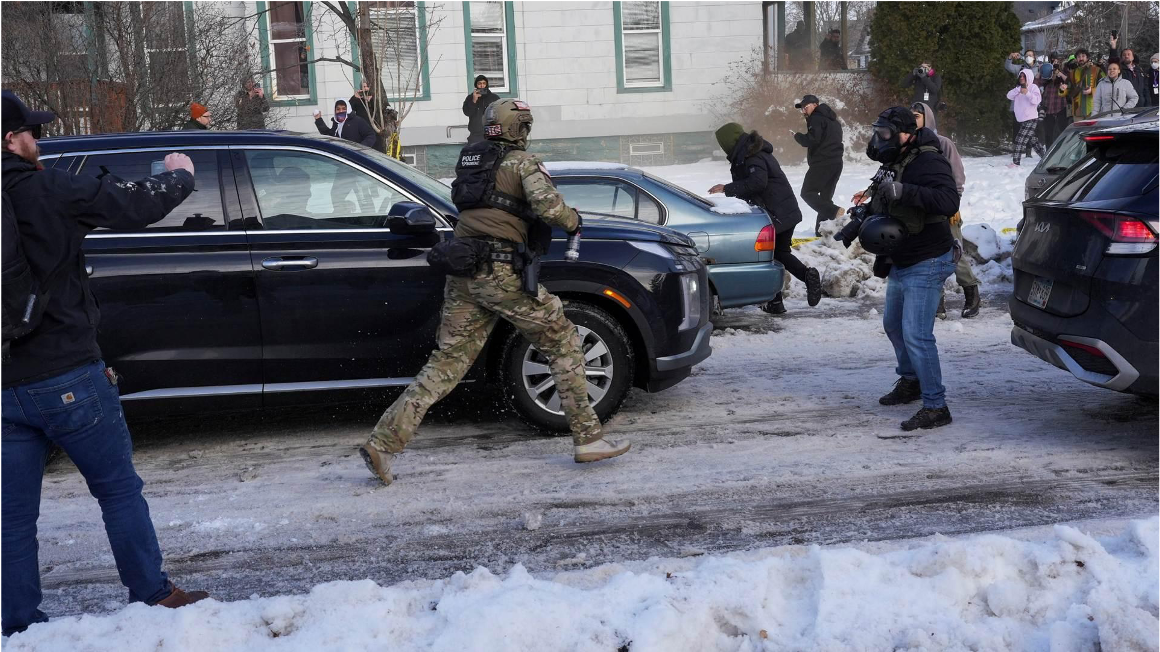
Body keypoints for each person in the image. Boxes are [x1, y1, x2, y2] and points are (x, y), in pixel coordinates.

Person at [1, 90, 208, 637]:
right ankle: (154, 595)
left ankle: (19, 625)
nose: (38, 140)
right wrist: (179, 174)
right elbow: (136, 203)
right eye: (32, 133)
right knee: (117, 491)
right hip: (66, 374)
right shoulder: (46, 188)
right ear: (10, 140)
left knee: (11, 518)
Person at [359, 98, 630, 485]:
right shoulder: (522, 163)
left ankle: (383, 443)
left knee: (445, 365)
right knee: (563, 340)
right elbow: (550, 209)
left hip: (464, 273)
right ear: (517, 127)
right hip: (502, 274)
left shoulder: (472, 160)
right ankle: (588, 439)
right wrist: (574, 222)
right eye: (525, 124)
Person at [852, 107, 960, 431]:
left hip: (927, 258)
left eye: (885, 133)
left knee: (916, 334)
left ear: (906, 134)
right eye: (878, 132)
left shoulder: (928, 161)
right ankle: (911, 381)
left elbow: (949, 201)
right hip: (902, 257)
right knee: (894, 326)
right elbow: (883, 199)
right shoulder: (895, 160)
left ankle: (936, 406)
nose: (880, 138)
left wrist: (906, 192)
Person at [709, 122, 822, 313]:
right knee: (776, 254)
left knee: (770, 254)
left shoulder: (752, 155)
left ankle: (792, 287)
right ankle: (778, 300)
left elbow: (757, 183)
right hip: (781, 211)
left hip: (778, 213)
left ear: (729, 142)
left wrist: (726, 188)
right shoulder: (749, 153)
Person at [912, 102, 980, 319]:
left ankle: (972, 293)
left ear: (928, 118)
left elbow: (957, 176)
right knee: (928, 256)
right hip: (923, 209)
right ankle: (937, 302)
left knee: (953, 252)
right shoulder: (910, 144)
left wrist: (954, 204)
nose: (913, 120)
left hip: (945, 206)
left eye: (917, 116)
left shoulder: (943, 143)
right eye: (911, 116)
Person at [792, 94, 845, 237]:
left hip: (822, 163)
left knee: (807, 193)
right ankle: (821, 233)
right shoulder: (833, 120)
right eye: (802, 109)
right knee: (825, 200)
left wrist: (797, 136)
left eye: (806, 107)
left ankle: (834, 211)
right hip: (836, 163)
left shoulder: (816, 118)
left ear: (815, 105)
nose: (804, 111)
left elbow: (811, 140)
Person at [1006, 68, 1045, 168]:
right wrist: (1018, 90)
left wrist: (1027, 93)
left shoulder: (1033, 87)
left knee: (1019, 139)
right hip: (1022, 119)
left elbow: (1037, 100)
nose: (1022, 78)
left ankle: (1016, 163)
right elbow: (1009, 96)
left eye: (1024, 76)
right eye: (1020, 76)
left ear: (1029, 77)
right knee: (1033, 141)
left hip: (1031, 118)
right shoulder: (1018, 89)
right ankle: (1046, 158)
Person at [349, 80, 396, 152]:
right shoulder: (358, 100)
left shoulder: (375, 99)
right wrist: (355, 97)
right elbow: (348, 109)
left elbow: (381, 109)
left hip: (376, 131)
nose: (366, 89)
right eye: (364, 87)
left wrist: (372, 99)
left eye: (368, 87)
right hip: (363, 132)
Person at [1108, 36, 1148, 107]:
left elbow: (1145, 89)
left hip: (1141, 105)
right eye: (1124, 55)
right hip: (1126, 104)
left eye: (1128, 54)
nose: (1126, 56)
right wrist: (1113, 46)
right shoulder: (1119, 70)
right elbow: (1113, 62)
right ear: (1121, 57)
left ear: (1133, 57)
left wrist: (1148, 104)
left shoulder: (1139, 70)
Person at [1038, 60, 1070, 147]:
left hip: (1061, 110)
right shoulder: (1046, 83)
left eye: (1054, 73)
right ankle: (1049, 152)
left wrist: (1059, 73)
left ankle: (1061, 151)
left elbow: (1069, 81)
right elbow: (1037, 82)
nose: (1053, 76)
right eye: (1051, 74)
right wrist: (1040, 71)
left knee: (1061, 134)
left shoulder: (1062, 82)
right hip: (1048, 112)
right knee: (1048, 135)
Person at [462, 75, 499, 144]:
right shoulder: (470, 98)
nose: (482, 86)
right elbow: (467, 112)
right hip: (476, 134)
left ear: (487, 84)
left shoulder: (494, 97)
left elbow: (500, 113)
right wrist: (474, 100)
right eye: (479, 83)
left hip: (491, 133)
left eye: (484, 83)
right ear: (476, 85)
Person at [1067, 49, 1104, 118]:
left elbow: (1105, 86)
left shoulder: (1097, 70)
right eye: (1078, 57)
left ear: (1087, 58)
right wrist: (1062, 89)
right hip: (1077, 111)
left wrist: (1092, 90)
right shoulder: (1072, 73)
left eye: (1083, 56)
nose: (1081, 58)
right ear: (1076, 59)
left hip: (1094, 110)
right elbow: (1067, 89)